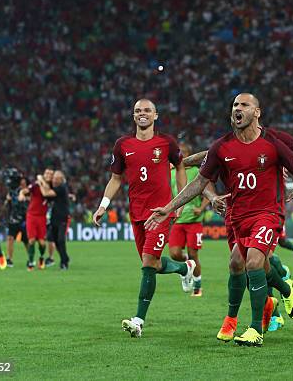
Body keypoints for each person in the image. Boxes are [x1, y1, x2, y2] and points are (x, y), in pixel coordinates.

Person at [147, 93, 293, 347]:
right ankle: (285, 289)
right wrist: (168, 207)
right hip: (238, 216)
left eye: (244, 105)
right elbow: (199, 182)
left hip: (268, 214)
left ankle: (253, 329)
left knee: (253, 261)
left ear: (257, 112)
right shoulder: (223, 146)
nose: (237, 109)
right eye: (234, 105)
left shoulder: (274, 143)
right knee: (238, 264)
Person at [92, 99, 195, 339]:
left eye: (147, 110)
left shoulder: (166, 142)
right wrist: (103, 205)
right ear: (133, 116)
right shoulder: (122, 145)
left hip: (160, 213)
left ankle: (138, 320)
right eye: (138, 110)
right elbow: (116, 178)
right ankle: (184, 267)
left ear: (155, 115)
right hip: (136, 214)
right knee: (154, 264)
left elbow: (180, 167)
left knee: (148, 263)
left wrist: (178, 201)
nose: (142, 114)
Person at [169, 143, 212, 296]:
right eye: (179, 153)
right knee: (174, 253)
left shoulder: (196, 171)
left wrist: (200, 208)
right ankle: (187, 265)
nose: (182, 156)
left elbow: (209, 193)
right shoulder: (172, 172)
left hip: (194, 221)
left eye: (185, 153)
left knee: (194, 254)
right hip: (177, 220)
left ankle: (198, 286)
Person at [21, 168, 53, 271]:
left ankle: (41, 258)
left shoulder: (52, 187)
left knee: (42, 243)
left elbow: (47, 192)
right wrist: (22, 193)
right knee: (31, 240)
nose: (48, 175)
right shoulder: (36, 185)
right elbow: (27, 190)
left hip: (42, 217)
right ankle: (31, 262)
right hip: (31, 215)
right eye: (46, 173)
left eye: (50, 174)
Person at [40, 170, 71, 270]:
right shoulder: (56, 188)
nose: (54, 180)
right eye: (54, 178)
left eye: (57, 179)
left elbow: (45, 193)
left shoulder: (61, 188)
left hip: (63, 218)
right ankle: (65, 258)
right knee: (54, 240)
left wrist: (41, 180)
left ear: (61, 180)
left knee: (60, 240)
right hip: (54, 218)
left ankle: (64, 262)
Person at [2, 169, 29, 267]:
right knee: (10, 238)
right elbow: (7, 205)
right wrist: (7, 201)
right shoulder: (11, 191)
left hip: (24, 219)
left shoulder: (25, 190)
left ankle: (31, 258)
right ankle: (9, 259)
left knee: (26, 241)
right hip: (13, 218)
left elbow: (26, 199)